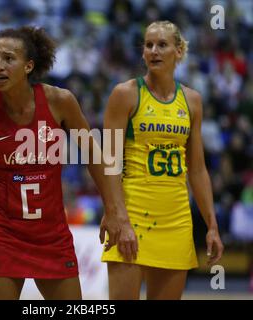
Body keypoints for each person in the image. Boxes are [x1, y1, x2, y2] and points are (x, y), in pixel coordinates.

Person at [0, 26, 129, 300]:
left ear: (28, 66)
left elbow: (95, 156)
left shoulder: (60, 101)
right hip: (4, 235)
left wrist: (114, 208)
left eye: (8, 58)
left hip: (51, 234)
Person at [101, 21, 224, 300]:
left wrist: (212, 226)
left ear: (179, 51)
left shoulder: (192, 101)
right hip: (131, 213)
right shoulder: (126, 93)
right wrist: (116, 213)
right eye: (148, 45)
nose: (154, 51)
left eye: (162, 45)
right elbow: (109, 161)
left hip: (176, 219)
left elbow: (198, 170)